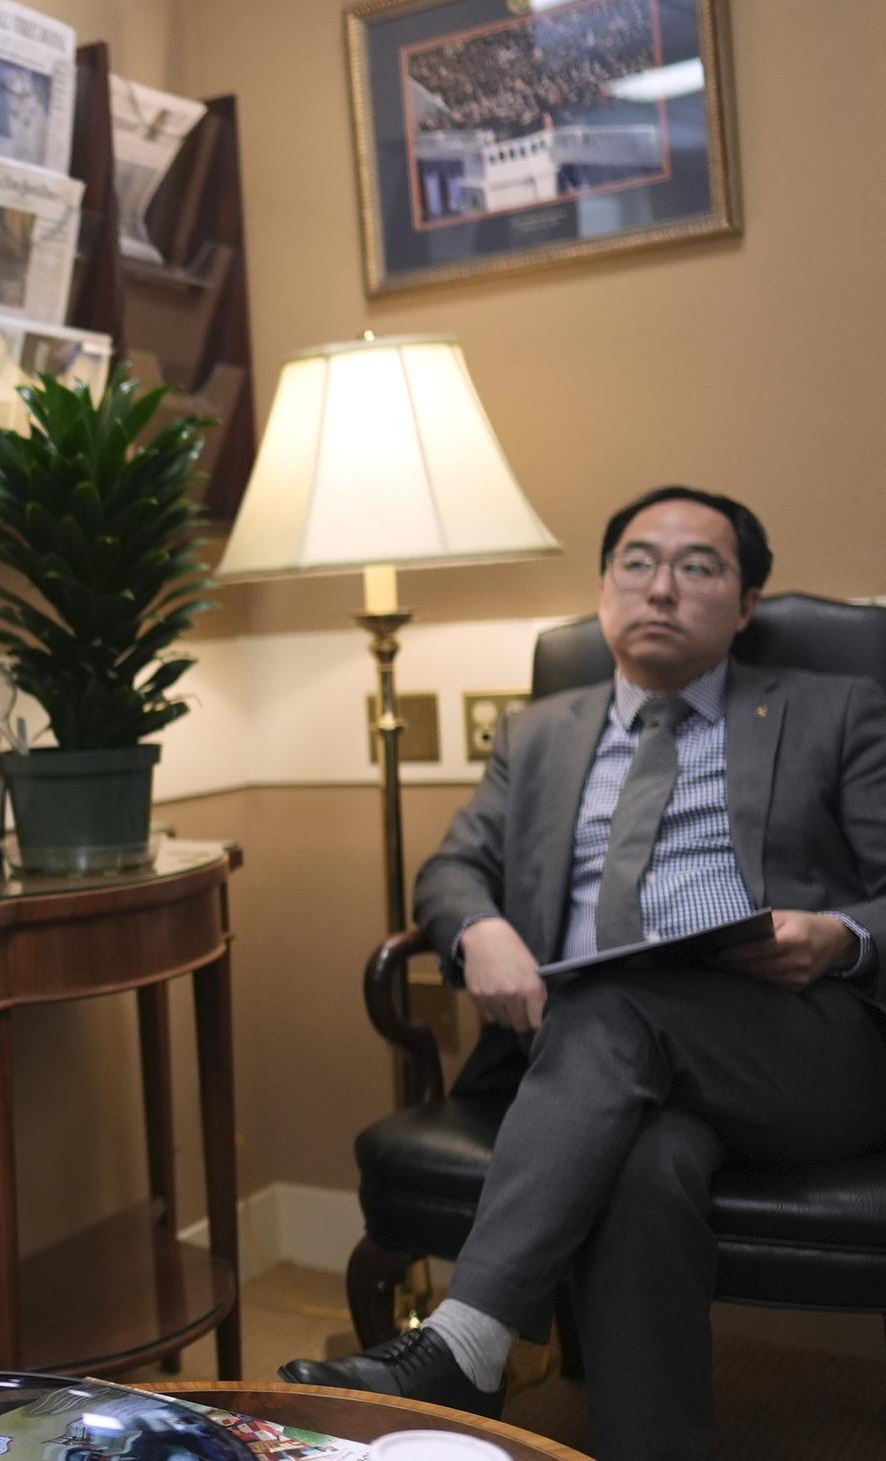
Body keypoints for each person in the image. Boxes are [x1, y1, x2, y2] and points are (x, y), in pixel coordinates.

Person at [283, 487, 886, 1460]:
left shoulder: (835, 708)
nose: (661, 586)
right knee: (649, 1161)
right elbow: (450, 866)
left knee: (608, 999)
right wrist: (476, 928)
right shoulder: (537, 732)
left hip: (795, 1046)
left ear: (745, 604)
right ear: (603, 587)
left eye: (699, 566)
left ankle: (466, 1339)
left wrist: (842, 934)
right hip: (598, 1068)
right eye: (636, 561)